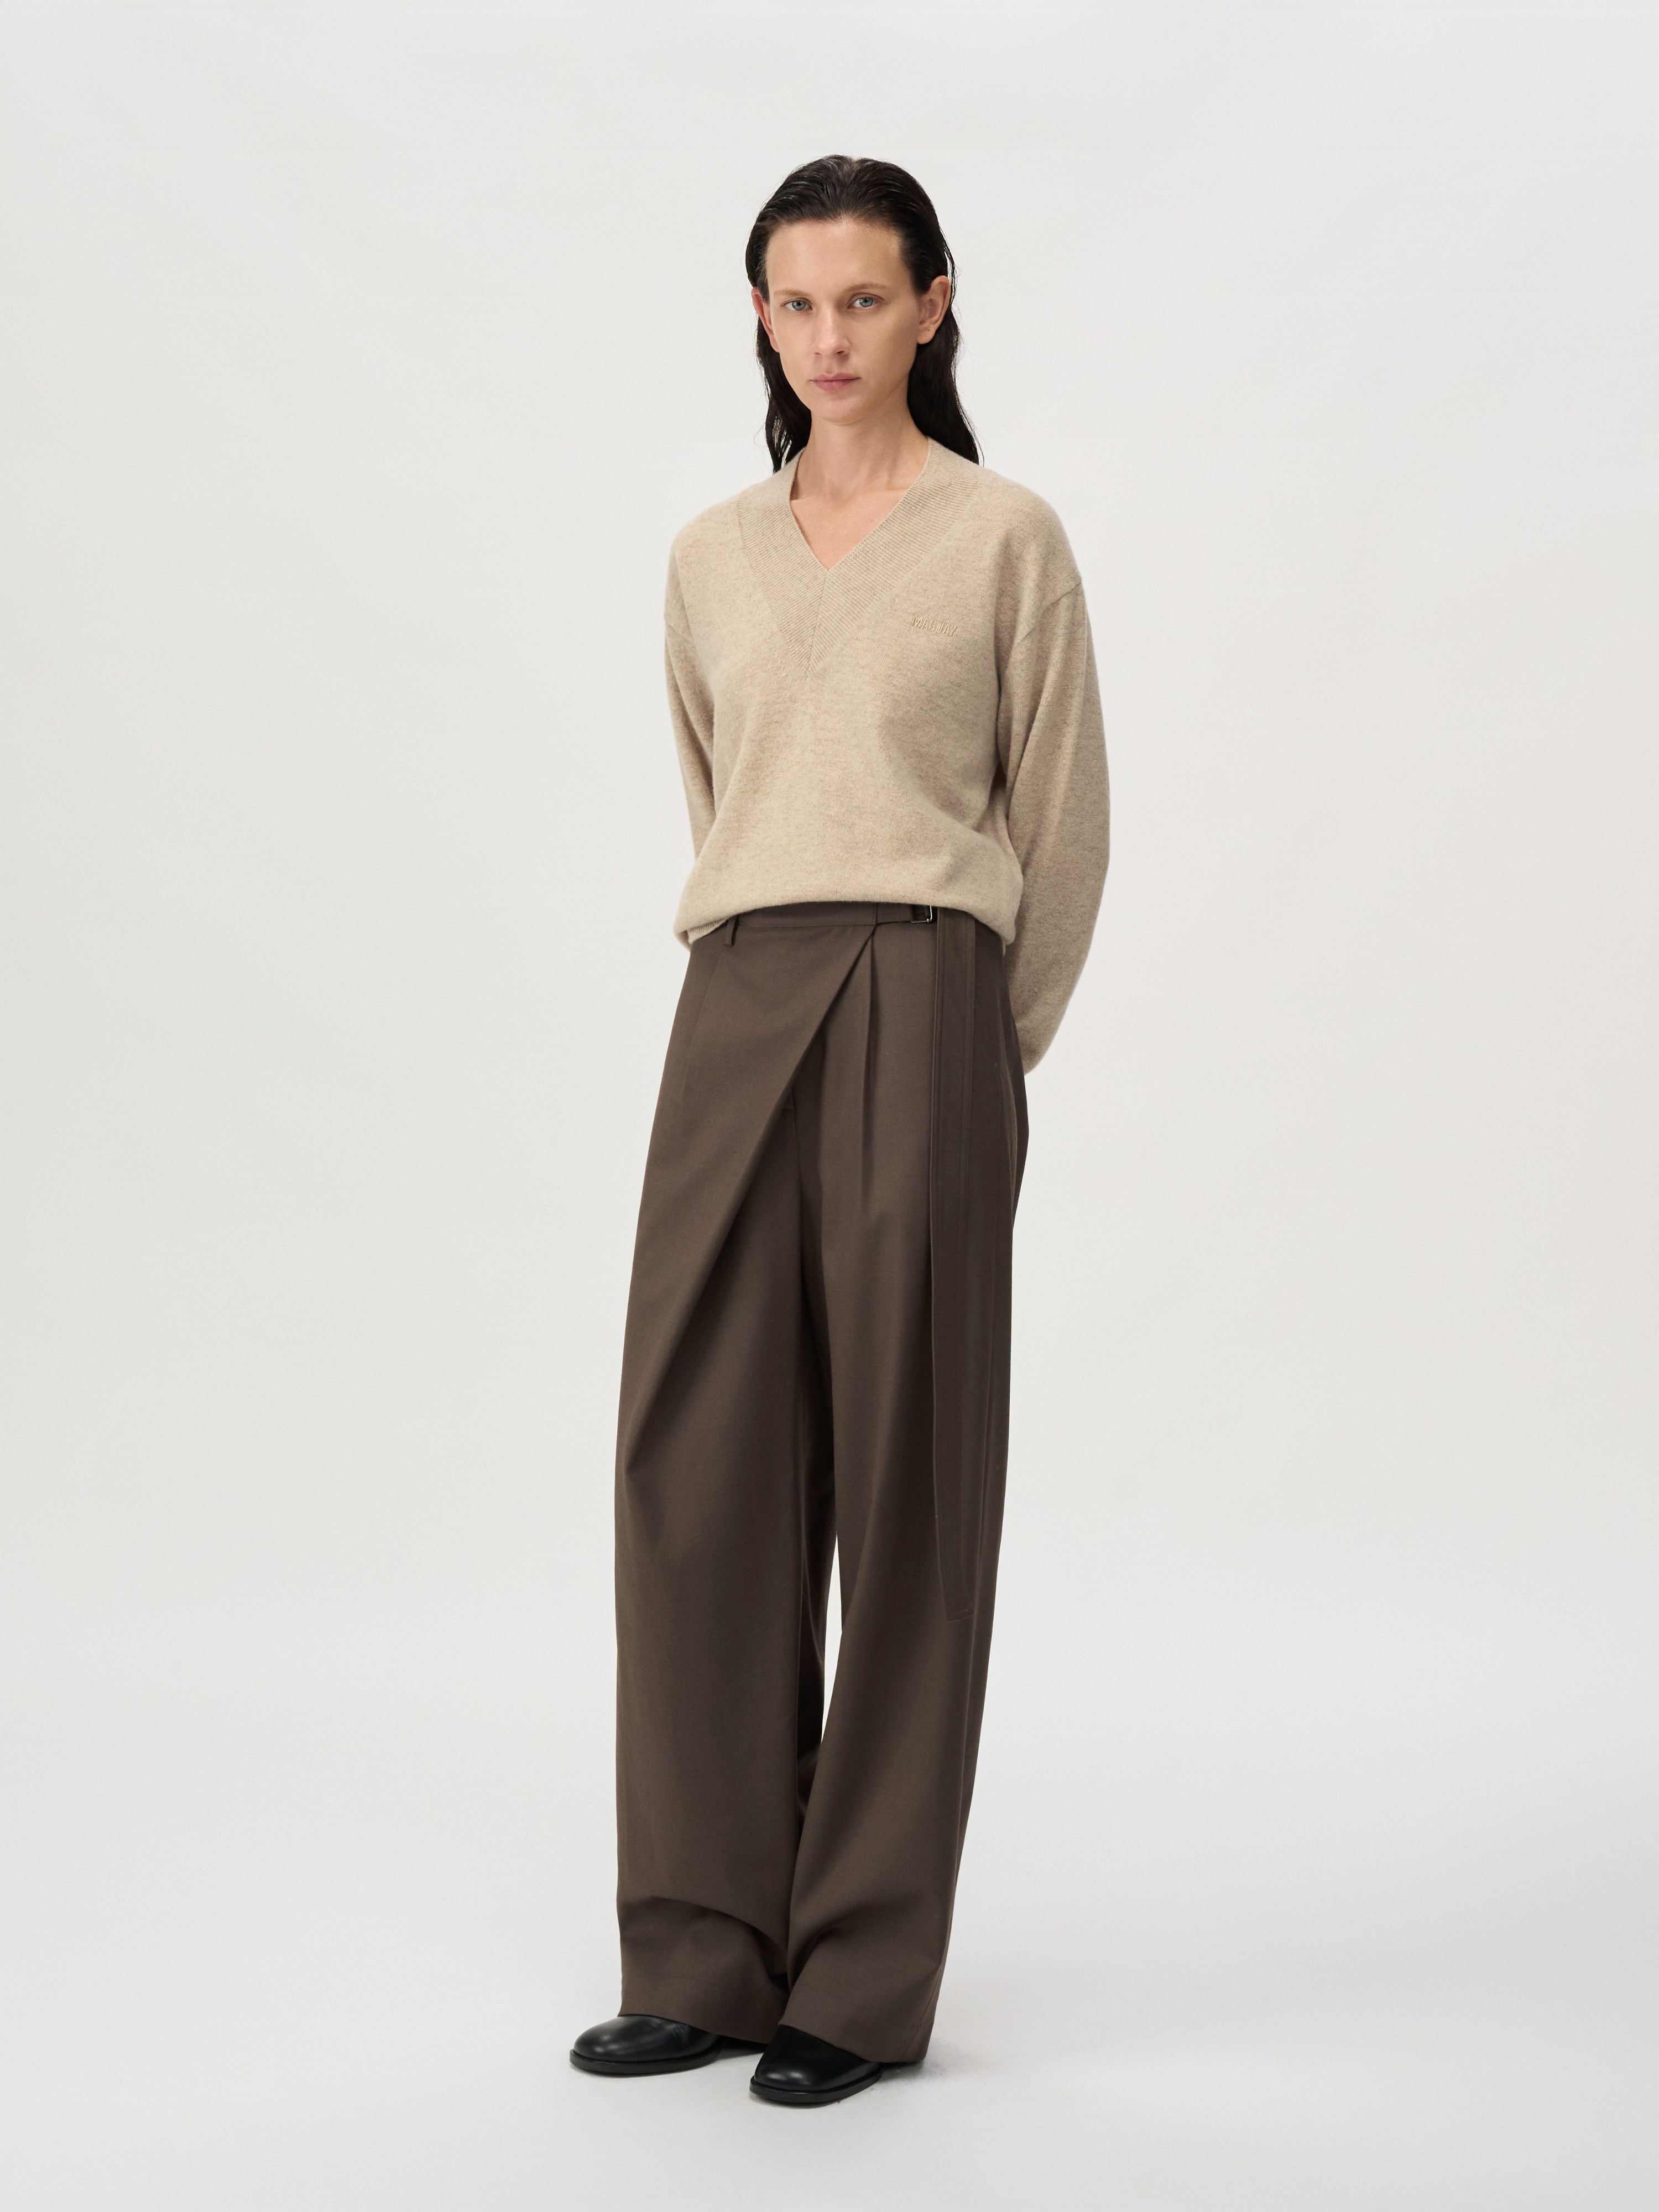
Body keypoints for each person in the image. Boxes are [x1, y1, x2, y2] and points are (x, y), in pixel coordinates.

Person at [570, 154, 1109, 2107]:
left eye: (864, 301)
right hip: (738, 996)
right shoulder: (710, 555)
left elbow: (1063, 828)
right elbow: (720, 790)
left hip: (928, 995)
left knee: (908, 1490)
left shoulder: (1004, 537)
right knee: (691, 1469)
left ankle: (859, 1978)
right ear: (760, 319)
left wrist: (974, 1060)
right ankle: (704, 1950)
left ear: (933, 307)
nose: (828, 339)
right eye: (795, 305)